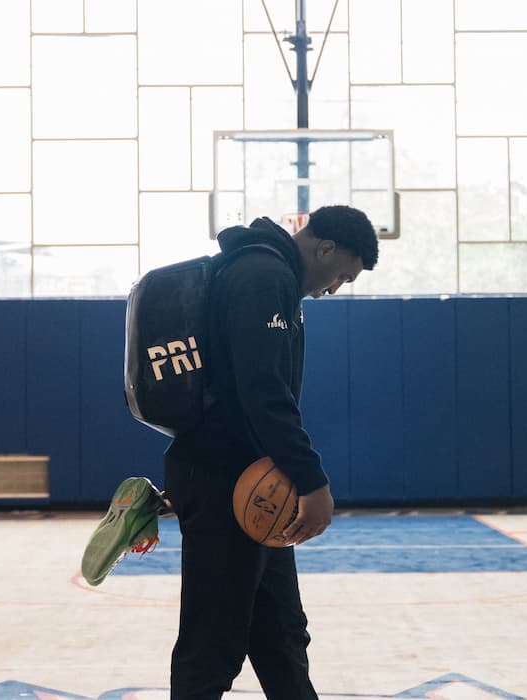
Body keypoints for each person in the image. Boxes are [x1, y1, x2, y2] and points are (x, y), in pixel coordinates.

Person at [163, 205, 379, 699]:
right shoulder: (262, 276)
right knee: (212, 645)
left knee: (281, 635)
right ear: (325, 248)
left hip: (253, 486)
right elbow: (263, 394)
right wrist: (312, 481)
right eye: (342, 275)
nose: (335, 288)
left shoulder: (267, 273)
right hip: (225, 483)